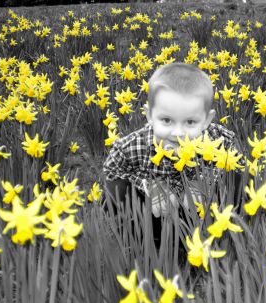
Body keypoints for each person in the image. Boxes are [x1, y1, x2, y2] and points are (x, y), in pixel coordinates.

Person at [103, 62, 243, 245]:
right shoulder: (135, 145)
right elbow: (111, 170)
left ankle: (221, 240)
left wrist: (203, 183)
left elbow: (237, 167)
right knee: (114, 189)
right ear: (149, 116)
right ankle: (139, 244)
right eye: (167, 120)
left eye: (190, 122)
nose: (178, 133)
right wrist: (148, 185)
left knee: (240, 179)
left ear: (207, 120)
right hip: (154, 216)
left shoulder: (220, 140)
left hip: (200, 214)